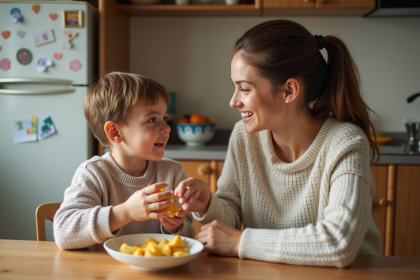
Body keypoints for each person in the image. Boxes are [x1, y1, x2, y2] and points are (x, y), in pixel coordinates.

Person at [175, 20, 382, 268]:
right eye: (235, 87)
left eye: (244, 89)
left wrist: (241, 242)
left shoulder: (346, 143)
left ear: (289, 91)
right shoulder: (244, 136)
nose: (233, 101)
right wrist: (208, 203)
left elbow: (339, 243)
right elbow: (230, 218)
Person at [54, 72, 195, 249]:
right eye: (152, 120)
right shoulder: (93, 173)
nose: (166, 127)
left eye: (164, 118)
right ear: (115, 132)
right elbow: (63, 233)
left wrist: (174, 228)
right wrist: (126, 212)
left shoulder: (172, 172)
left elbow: (189, 237)